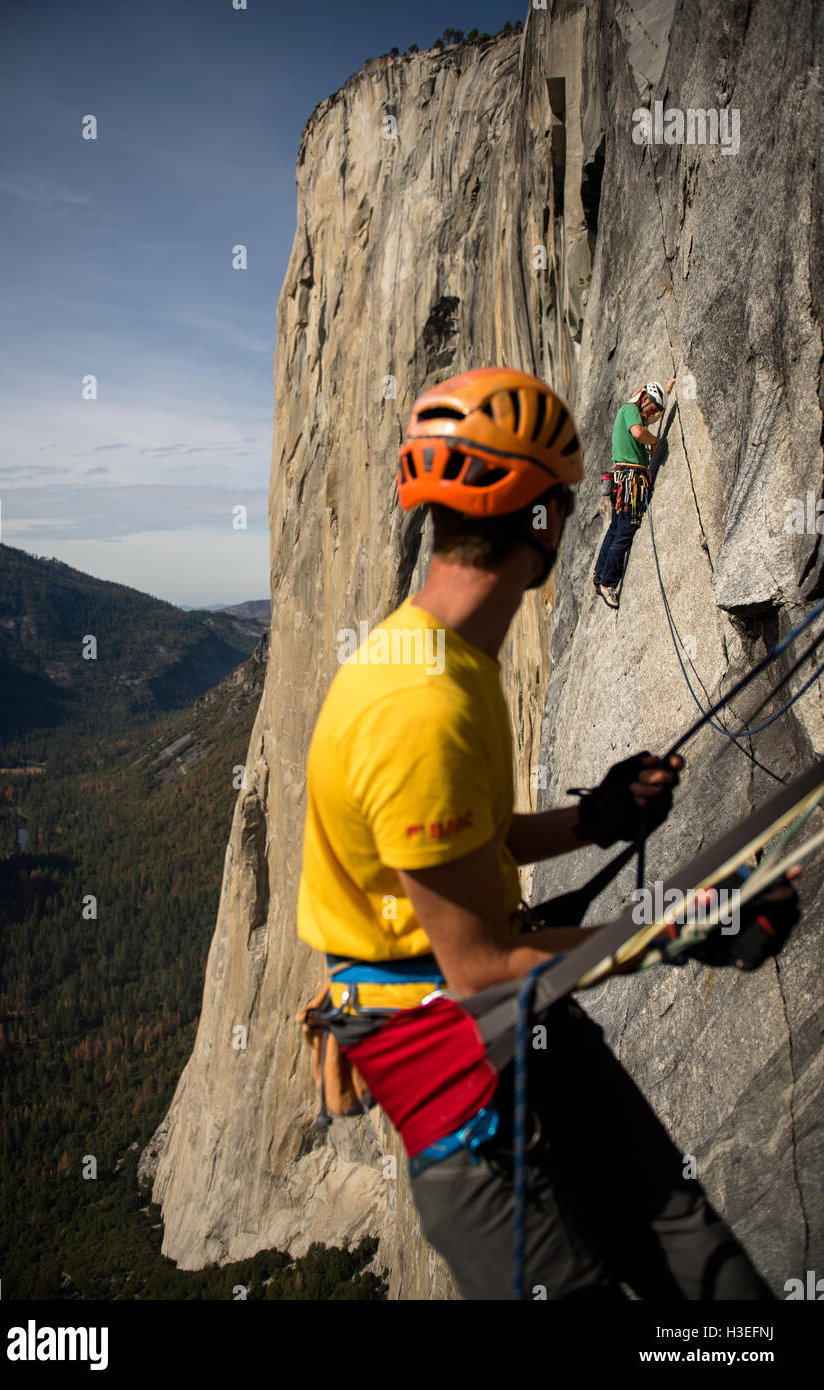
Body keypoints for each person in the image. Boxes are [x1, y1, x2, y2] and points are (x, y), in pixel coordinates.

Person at [296, 366, 798, 1300]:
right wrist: (683, 927)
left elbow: (470, 849)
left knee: (704, 1263)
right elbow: (478, 963)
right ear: (542, 520)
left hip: (518, 1028)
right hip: (465, 1102)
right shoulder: (418, 705)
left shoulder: (442, 657)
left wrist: (593, 820)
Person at [594, 378, 675, 608]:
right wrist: (655, 443)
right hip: (631, 481)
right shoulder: (630, 410)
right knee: (626, 531)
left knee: (616, 528)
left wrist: (668, 389)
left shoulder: (635, 412)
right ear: (643, 398)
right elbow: (640, 433)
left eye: (657, 410)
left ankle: (600, 572)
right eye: (652, 406)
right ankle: (608, 583)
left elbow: (650, 419)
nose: (654, 413)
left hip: (622, 479)